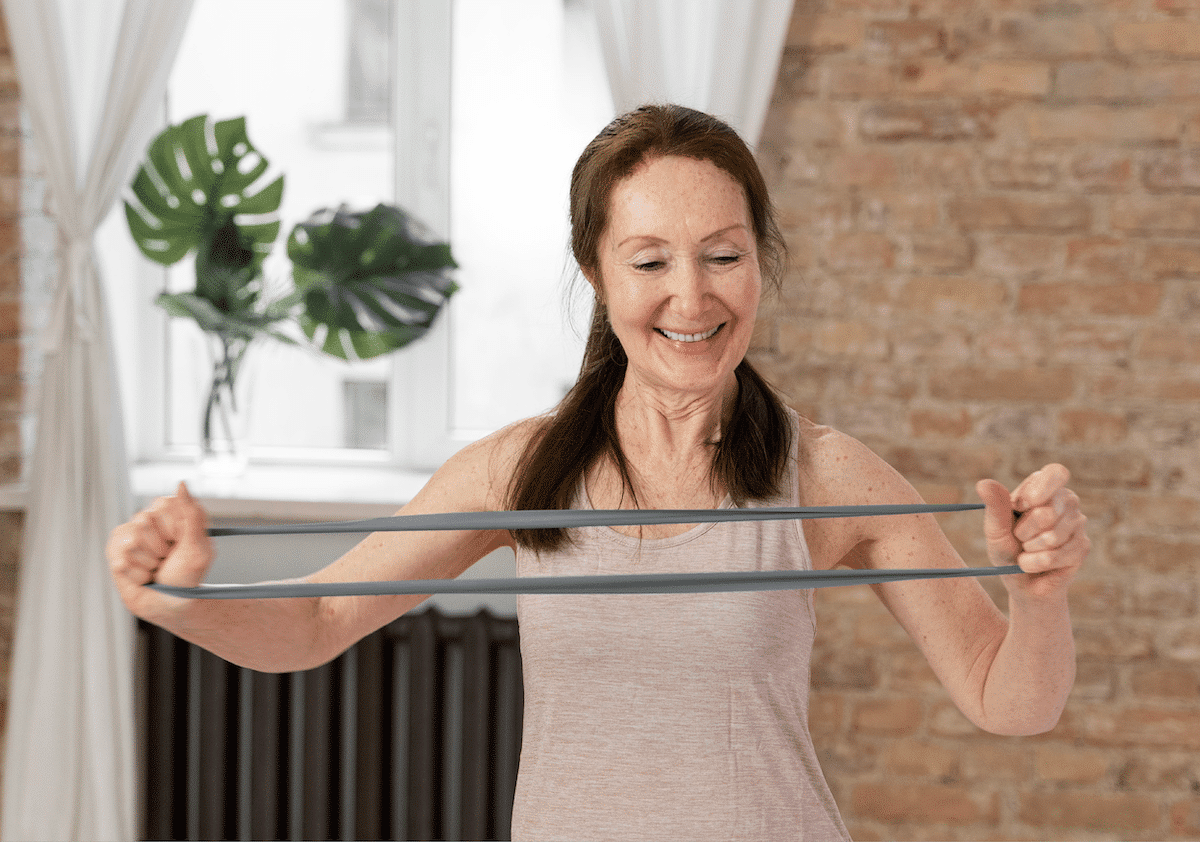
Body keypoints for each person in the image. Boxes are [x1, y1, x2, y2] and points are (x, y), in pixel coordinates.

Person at [108, 104, 1090, 840]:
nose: (691, 296)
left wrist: (1041, 594)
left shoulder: (825, 474)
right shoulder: (522, 469)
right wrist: (178, 602)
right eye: (651, 260)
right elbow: (319, 620)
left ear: (761, 263)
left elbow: (1012, 699)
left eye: (722, 255)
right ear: (596, 271)